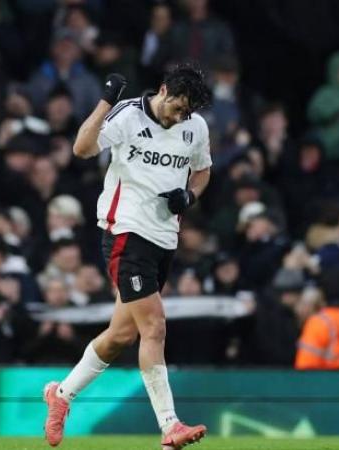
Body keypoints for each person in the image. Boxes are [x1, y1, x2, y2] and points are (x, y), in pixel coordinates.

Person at [42, 65, 212, 449]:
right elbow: (82, 149)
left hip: (164, 239)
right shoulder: (128, 115)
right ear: (164, 91)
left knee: (121, 334)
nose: (178, 117)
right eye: (176, 108)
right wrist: (105, 101)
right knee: (154, 328)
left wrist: (190, 196)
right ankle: (170, 427)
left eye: (186, 112)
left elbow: (202, 171)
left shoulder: (195, 127)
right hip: (125, 234)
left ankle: (62, 395)